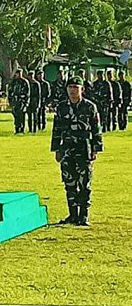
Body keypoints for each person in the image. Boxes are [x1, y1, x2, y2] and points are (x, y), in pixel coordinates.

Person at [51, 76, 102, 226]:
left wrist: (95, 148)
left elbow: (96, 129)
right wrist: (56, 149)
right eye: (70, 87)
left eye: (76, 87)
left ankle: (83, 215)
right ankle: (72, 215)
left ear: (82, 89)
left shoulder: (89, 107)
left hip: (83, 149)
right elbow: (56, 129)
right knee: (69, 182)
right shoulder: (61, 107)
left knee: (84, 182)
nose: (73, 90)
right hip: (67, 149)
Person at [8, 69, 30, 134]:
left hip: (22, 102)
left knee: (22, 116)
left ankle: (22, 129)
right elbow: (10, 92)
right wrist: (10, 102)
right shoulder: (13, 82)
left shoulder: (25, 82)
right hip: (15, 102)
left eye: (19, 73)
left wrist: (26, 103)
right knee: (16, 116)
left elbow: (27, 94)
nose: (18, 75)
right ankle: (17, 129)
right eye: (17, 74)